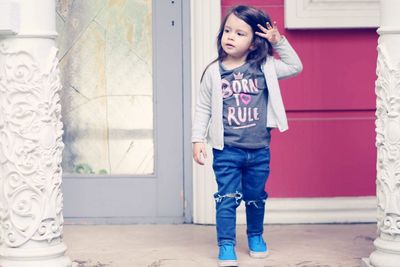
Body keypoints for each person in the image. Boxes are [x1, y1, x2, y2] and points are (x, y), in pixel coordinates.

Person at [192, 5, 302, 267]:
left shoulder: (265, 67)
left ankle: (255, 236)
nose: (230, 36)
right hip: (226, 149)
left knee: (255, 197)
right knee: (226, 198)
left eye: (240, 33)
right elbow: (203, 108)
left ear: (254, 43)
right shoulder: (214, 72)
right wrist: (197, 140)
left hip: (259, 149)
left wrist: (279, 41)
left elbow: (295, 66)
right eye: (227, 31)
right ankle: (226, 244)